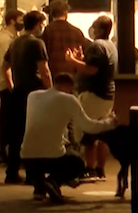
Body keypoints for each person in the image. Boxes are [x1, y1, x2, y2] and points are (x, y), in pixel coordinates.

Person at [21, 73, 116, 203]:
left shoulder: (33, 96)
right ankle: (53, 181)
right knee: (77, 162)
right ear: (69, 87)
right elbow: (88, 127)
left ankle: (39, 188)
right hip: (51, 157)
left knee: (42, 151)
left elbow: (42, 125)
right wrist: (111, 122)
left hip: (27, 157)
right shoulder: (69, 99)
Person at [67, 15, 118, 180]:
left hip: (94, 94)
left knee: (89, 132)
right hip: (108, 94)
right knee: (102, 132)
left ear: (101, 29)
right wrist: (81, 59)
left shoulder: (96, 46)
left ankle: (89, 169)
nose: (92, 29)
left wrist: (72, 60)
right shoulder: (111, 46)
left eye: (94, 26)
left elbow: (92, 70)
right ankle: (100, 168)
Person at [3, 10, 52, 184]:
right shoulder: (36, 43)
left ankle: (12, 171)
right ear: (38, 24)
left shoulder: (15, 42)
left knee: (16, 134)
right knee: (33, 133)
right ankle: (33, 174)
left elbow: (5, 66)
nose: (43, 27)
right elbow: (44, 70)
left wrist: (11, 85)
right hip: (34, 92)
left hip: (18, 92)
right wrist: (51, 91)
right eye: (42, 24)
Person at [0, 9, 23, 163]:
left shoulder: (12, 38)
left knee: (8, 118)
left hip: (8, 84)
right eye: (20, 19)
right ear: (12, 20)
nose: (22, 22)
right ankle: (5, 152)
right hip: (7, 84)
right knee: (8, 120)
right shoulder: (6, 40)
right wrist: (11, 85)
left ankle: (7, 151)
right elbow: (6, 64)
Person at [39, 0, 88, 78]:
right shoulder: (76, 31)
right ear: (65, 13)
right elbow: (84, 52)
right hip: (72, 73)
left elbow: (43, 54)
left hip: (54, 73)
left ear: (51, 14)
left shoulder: (47, 31)